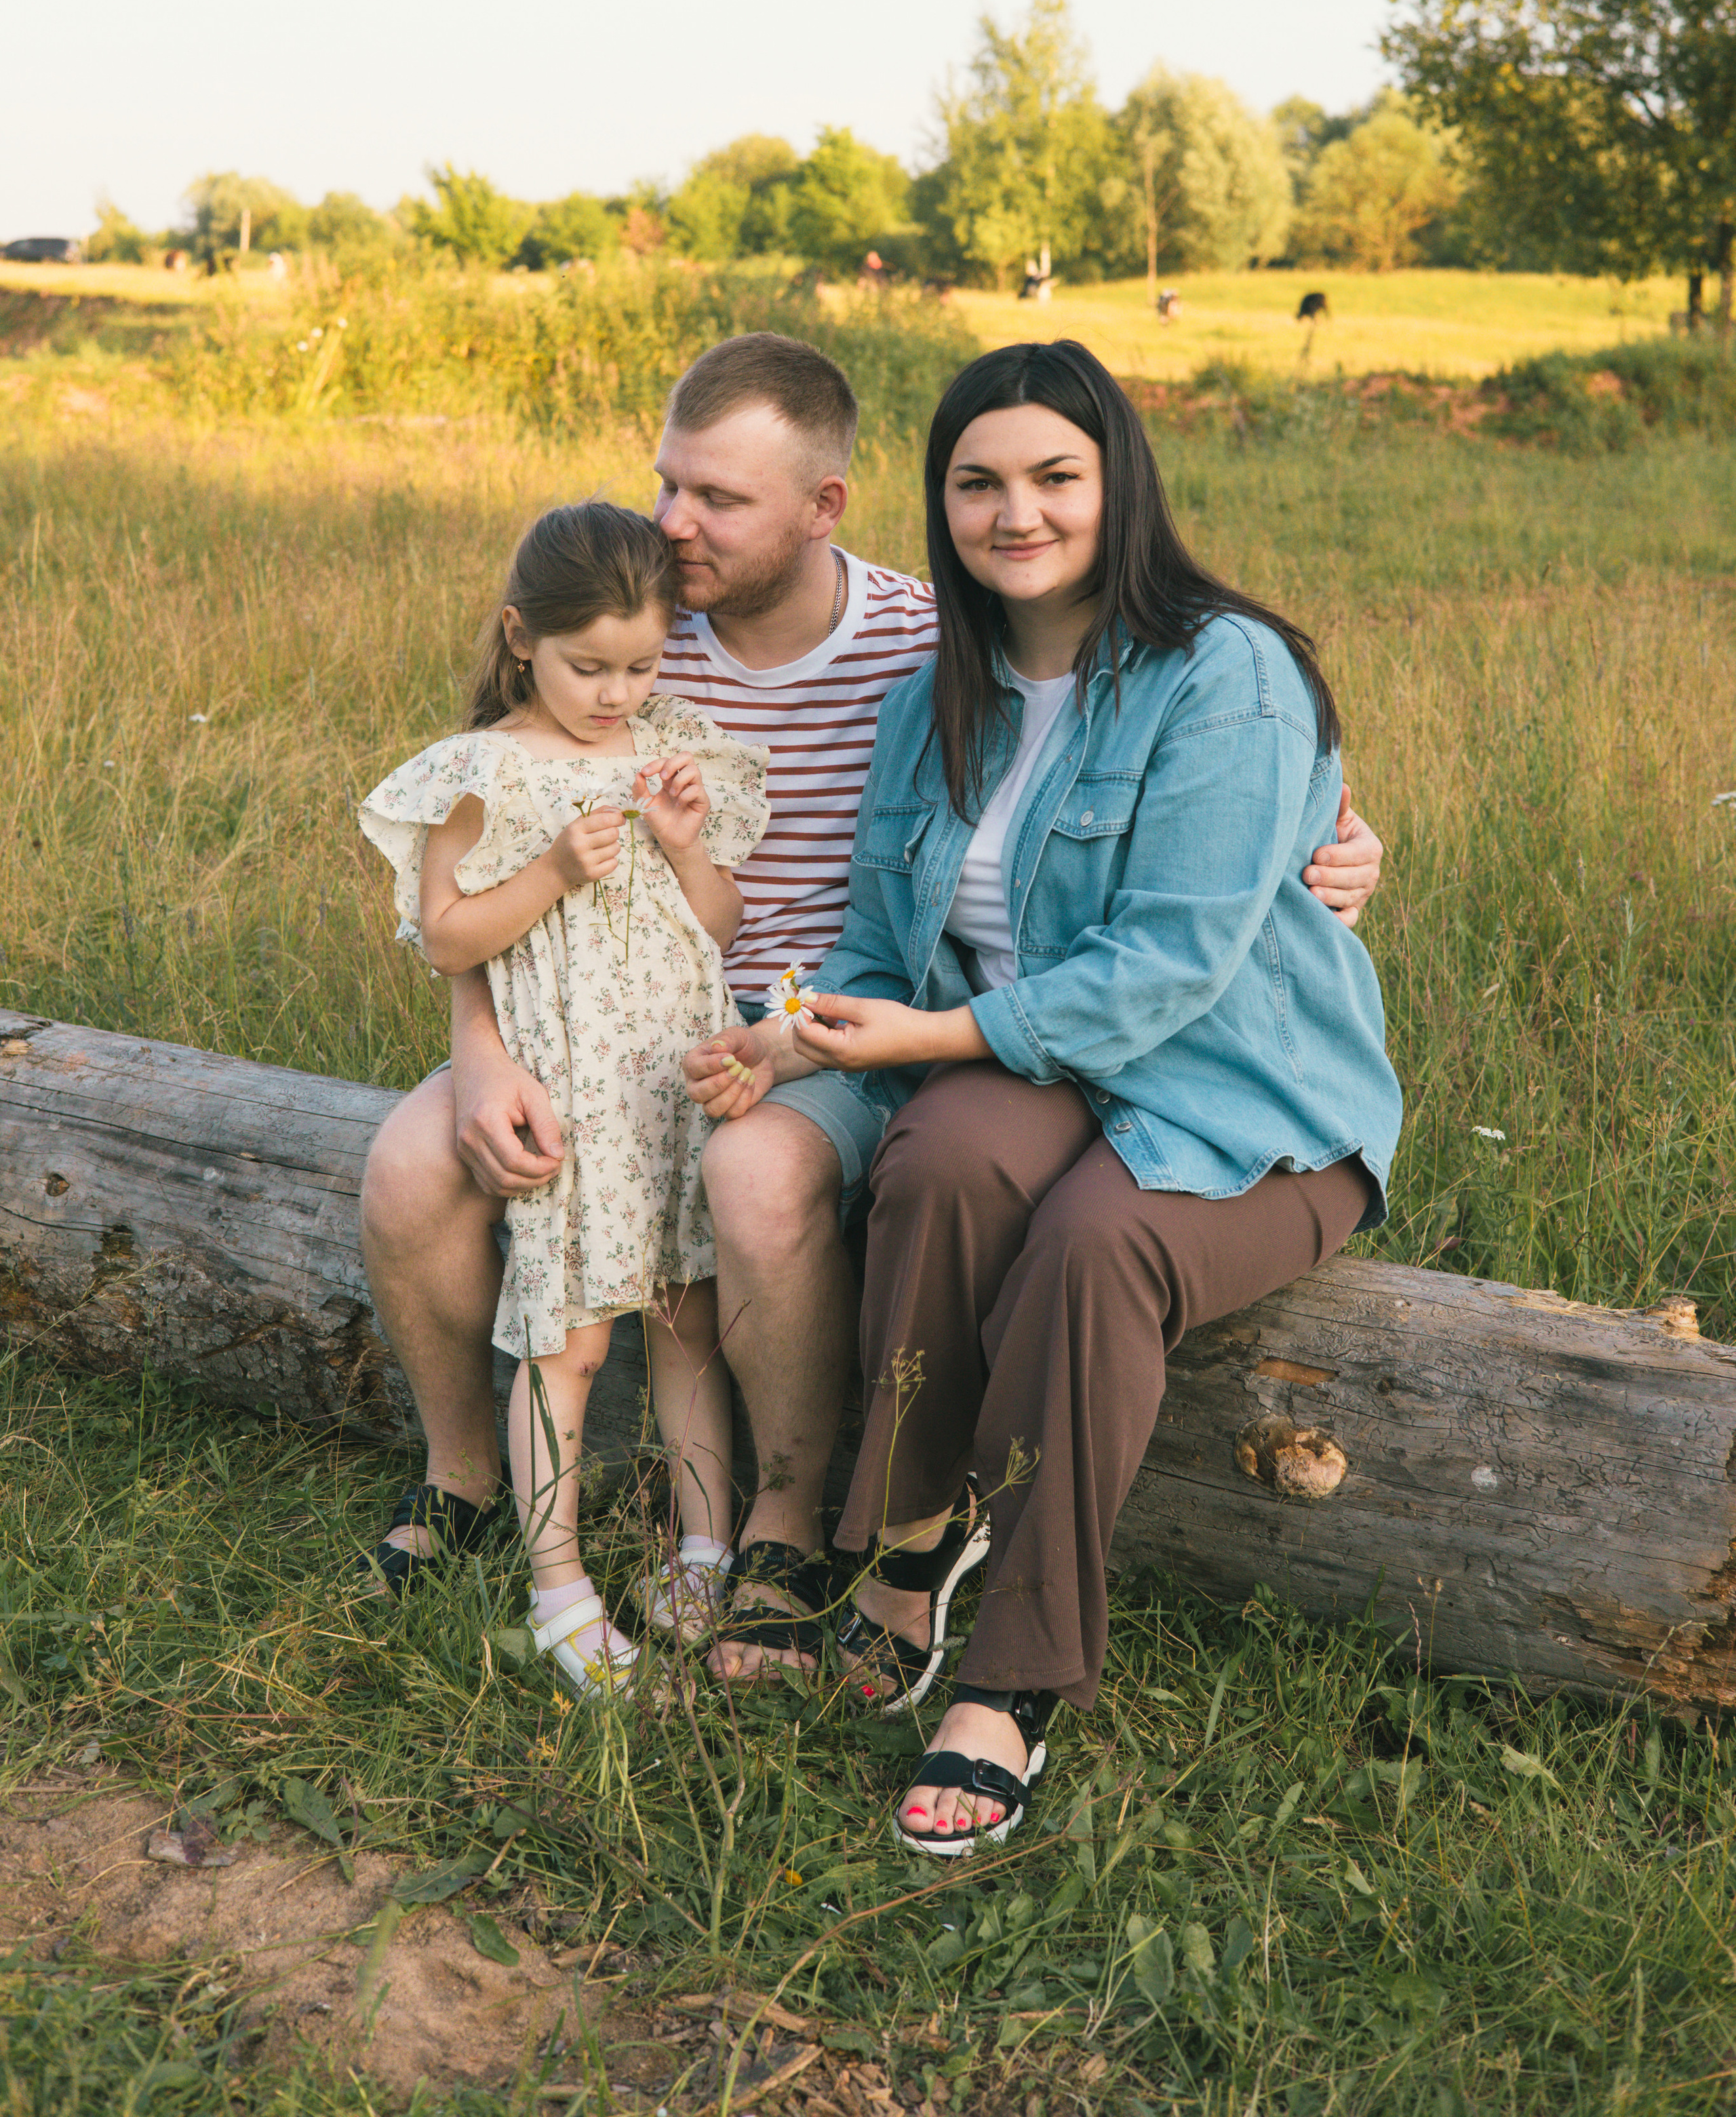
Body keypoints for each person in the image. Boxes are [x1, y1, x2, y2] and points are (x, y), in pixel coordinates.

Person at [356, 332, 1387, 1655]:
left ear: (820, 506)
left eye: (719, 500)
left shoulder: (929, 642)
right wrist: (482, 1053)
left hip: (823, 1013)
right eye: (667, 482)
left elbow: (1190, 783)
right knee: (406, 1163)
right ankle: (462, 1480)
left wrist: (1340, 852)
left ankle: (783, 1521)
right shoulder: (624, 637)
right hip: (587, 1002)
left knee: (753, 1177)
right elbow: (487, 859)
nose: (674, 523)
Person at [684, 340, 1401, 1847]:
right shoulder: (936, 694)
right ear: (938, 502)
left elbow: (1172, 965)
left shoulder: (1225, 671)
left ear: (1114, 481)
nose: (1016, 513)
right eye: (977, 483)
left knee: (1088, 1250)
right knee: (936, 1168)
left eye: (1052, 477)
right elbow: (881, 944)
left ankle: (1011, 1680)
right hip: (1028, 1068)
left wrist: (930, 1042)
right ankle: (903, 1534)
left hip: (1237, 1095)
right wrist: (789, 1029)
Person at [357, 501, 768, 1686]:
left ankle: (702, 1547)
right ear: (521, 637)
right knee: (568, 1342)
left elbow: (721, 925)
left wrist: (686, 843)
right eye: (591, 667)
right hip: (570, 1094)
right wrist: (550, 870)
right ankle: (558, 1586)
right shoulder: (485, 770)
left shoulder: (669, 744)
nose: (616, 693)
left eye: (642, 665)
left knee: (694, 1321)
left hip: (676, 1080)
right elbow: (445, 938)